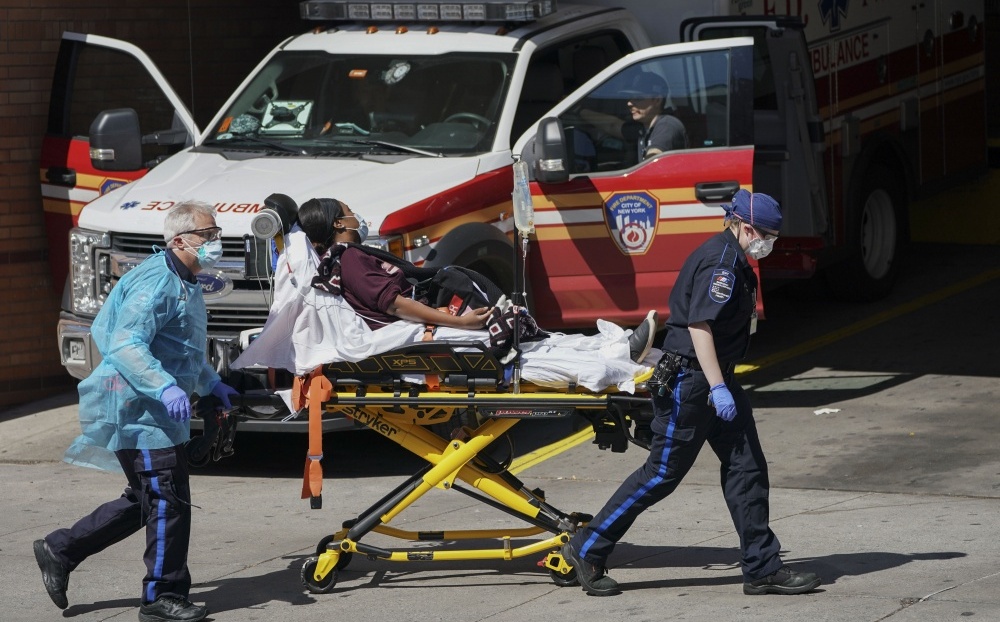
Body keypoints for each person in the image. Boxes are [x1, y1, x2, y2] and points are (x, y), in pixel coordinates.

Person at [560, 189, 822, 597]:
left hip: (716, 379)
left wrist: (723, 385)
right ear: (746, 226)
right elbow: (700, 327)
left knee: (747, 468)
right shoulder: (721, 263)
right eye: (766, 235)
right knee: (662, 474)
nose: (768, 244)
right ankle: (587, 547)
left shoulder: (734, 257)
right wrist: (718, 388)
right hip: (693, 383)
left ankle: (761, 567)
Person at [33, 200, 239, 622]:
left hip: (156, 411)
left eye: (216, 233)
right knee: (168, 500)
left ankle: (61, 548)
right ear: (180, 240)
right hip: (139, 410)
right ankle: (161, 595)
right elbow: (126, 343)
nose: (215, 241)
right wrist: (163, 387)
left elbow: (181, 348)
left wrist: (208, 382)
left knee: (148, 499)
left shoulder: (187, 281)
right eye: (208, 235)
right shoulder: (157, 283)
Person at [295, 197, 658, 365]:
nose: (356, 214)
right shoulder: (352, 259)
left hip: (416, 327)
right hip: (411, 334)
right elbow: (394, 304)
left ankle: (614, 350)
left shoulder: (346, 261)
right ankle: (614, 356)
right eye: (347, 212)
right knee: (518, 341)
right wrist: (458, 322)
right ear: (340, 225)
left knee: (523, 334)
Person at [620, 71, 687, 160]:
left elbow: (653, 159)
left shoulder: (667, 125)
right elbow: (612, 126)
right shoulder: (643, 127)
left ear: (657, 100)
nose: (629, 103)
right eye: (630, 97)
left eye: (638, 98)